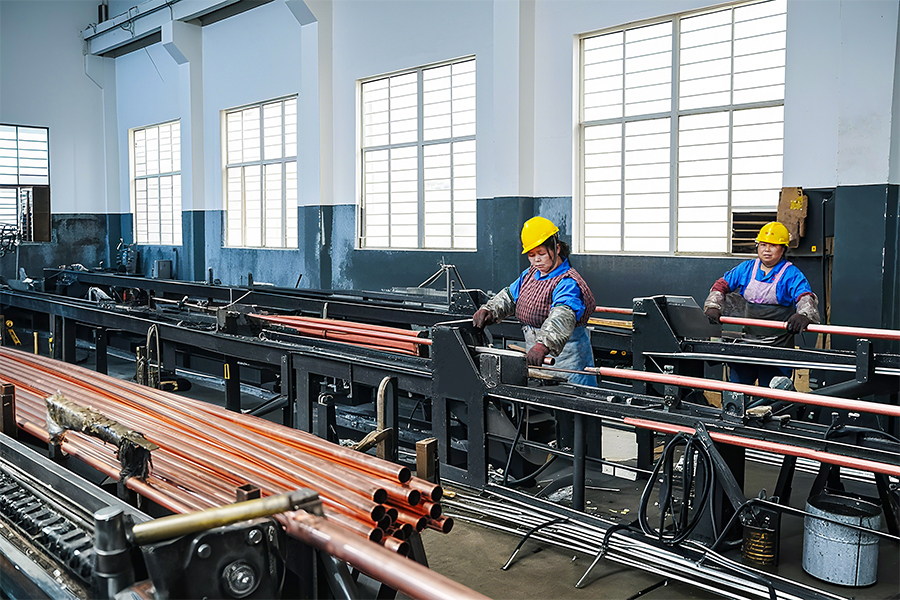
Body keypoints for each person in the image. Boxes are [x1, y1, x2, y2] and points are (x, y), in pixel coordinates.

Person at [472, 217, 597, 387]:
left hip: (568, 361)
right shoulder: (530, 274)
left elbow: (562, 316)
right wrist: (491, 310)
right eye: (531, 255)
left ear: (556, 248)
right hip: (539, 358)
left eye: (541, 253)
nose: (537, 260)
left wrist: (544, 344)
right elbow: (510, 296)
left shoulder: (568, 282)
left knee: (574, 399)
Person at [703, 221, 820, 387]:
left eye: (773, 245)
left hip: (777, 349)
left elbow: (805, 296)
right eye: (763, 245)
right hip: (746, 345)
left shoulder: (791, 274)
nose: (767, 250)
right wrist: (713, 305)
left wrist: (804, 315)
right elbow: (721, 285)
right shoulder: (746, 268)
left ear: (783, 249)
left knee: (772, 396)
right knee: (737, 392)